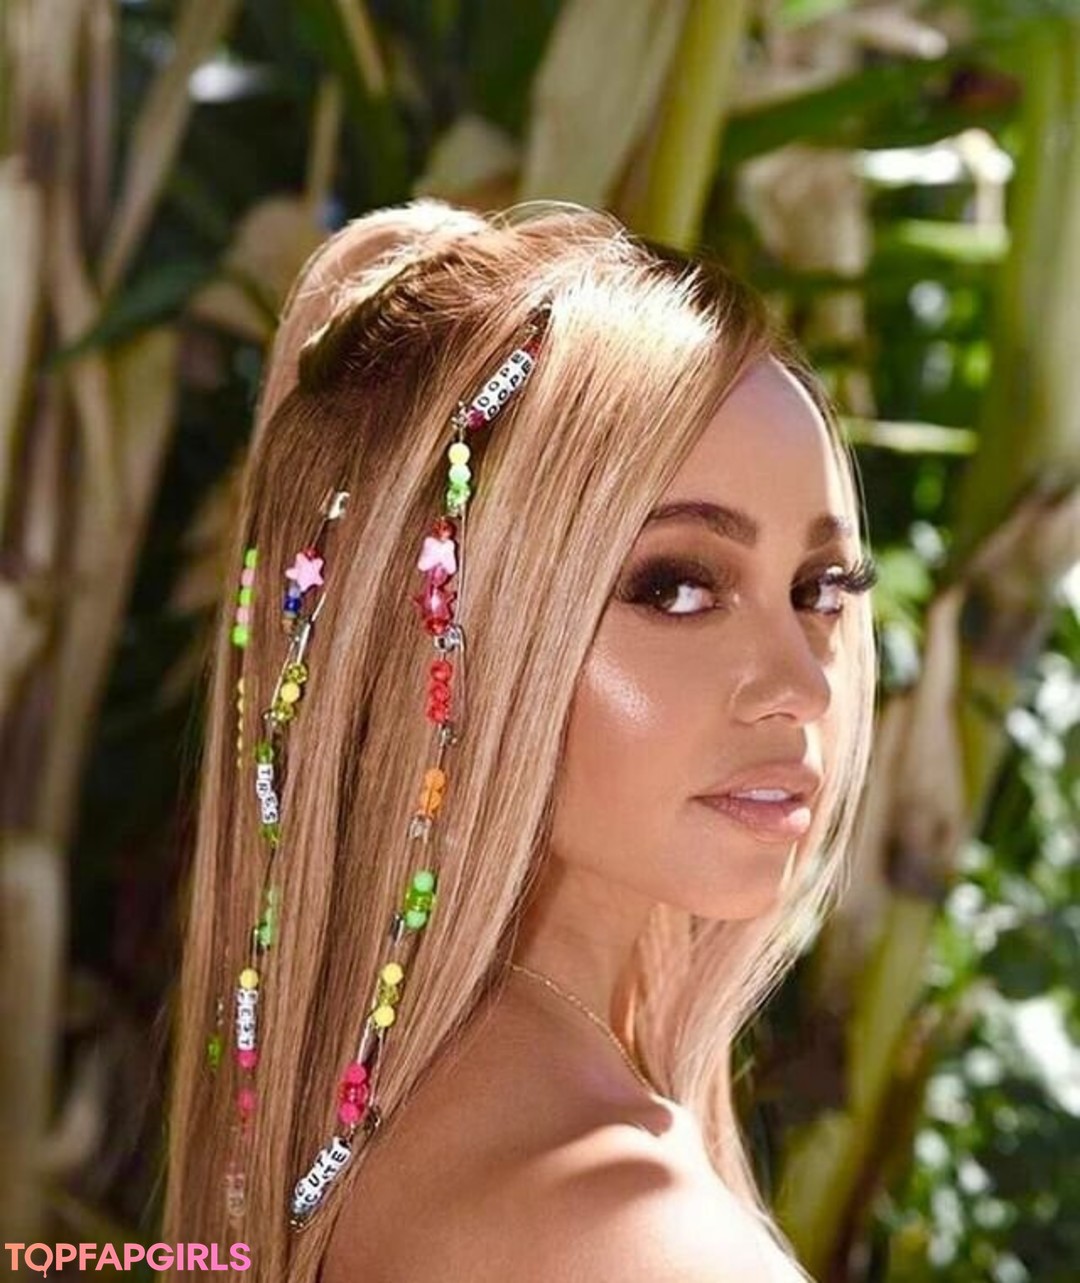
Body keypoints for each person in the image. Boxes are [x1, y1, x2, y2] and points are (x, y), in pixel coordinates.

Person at [163, 198, 877, 1282]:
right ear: (447, 627)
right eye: (678, 586)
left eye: (819, 588)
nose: (802, 684)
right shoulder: (625, 1223)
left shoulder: (358, 1114)